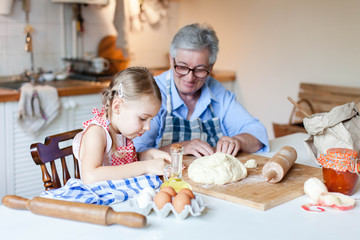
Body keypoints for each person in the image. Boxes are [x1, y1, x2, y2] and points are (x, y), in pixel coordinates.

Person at [133, 23, 269, 157]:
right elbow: (135, 153)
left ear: (211, 66)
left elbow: (258, 134)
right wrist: (179, 148)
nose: (189, 77)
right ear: (171, 60)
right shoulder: (152, 93)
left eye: (199, 70)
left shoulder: (217, 92)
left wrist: (237, 141)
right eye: (182, 67)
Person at [72, 67, 171, 184]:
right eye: (143, 118)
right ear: (117, 107)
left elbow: (123, 164)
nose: (148, 127)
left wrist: (148, 155)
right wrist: (145, 166)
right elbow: (90, 176)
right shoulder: (97, 132)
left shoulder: (122, 131)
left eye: (151, 120)